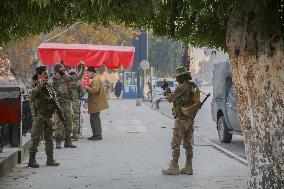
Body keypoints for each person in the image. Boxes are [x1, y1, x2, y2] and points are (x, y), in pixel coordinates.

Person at [161, 66, 200, 175]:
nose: (176, 79)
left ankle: (174, 166)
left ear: (181, 76)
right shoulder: (191, 86)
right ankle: (189, 167)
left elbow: (170, 98)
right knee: (187, 144)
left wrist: (166, 89)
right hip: (189, 120)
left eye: (177, 77)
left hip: (181, 120)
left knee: (175, 143)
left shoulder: (182, 87)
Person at [28, 66, 60, 168]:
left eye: (47, 73)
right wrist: (39, 86)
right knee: (36, 138)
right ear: (39, 75)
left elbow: (53, 96)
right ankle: (31, 160)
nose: (47, 75)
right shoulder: (33, 84)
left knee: (49, 138)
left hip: (48, 115)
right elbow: (31, 96)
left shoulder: (48, 85)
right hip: (38, 116)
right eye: (45, 73)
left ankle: (50, 159)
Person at [52, 62, 85, 148]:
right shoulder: (52, 81)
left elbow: (77, 77)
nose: (62, 73)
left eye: (62, 71)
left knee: (69, 123)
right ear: (55, 72)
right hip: (58, 105)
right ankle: (58, 142)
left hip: (67, 104)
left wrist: (83, 68)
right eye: (60, 71)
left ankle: (68, 141)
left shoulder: (65, 78)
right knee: (58, 123)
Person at [84, 67, 109, 140]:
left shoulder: (95, 79)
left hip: (95, 102)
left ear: (92, 72)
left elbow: (95, 90)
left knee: (95, 119)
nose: (87, 75)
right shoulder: (96, 78)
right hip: (95, 102)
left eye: (88, 73)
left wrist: (86, 87)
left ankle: (97, 135)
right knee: (93, 118)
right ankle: (95, 134)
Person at [69, 71, 86, 140]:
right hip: (76, 103)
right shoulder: (78, 83)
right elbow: (83, 92)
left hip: (68, 103)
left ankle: (67, 135)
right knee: (75, 119)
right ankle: (75, 135)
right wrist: (78, 97)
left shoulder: (66, 83)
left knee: (68, 119)